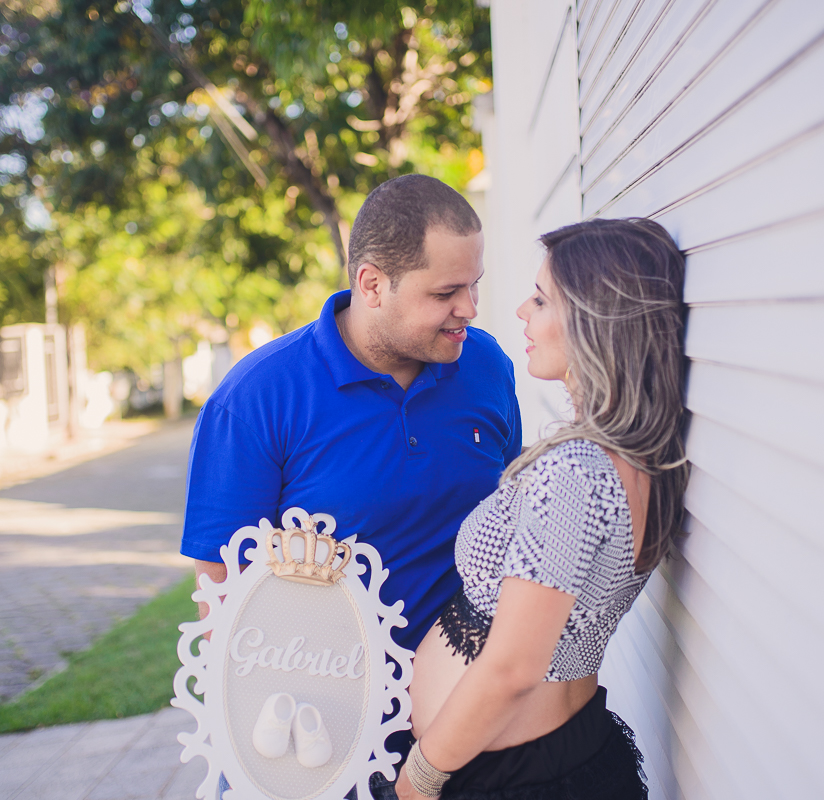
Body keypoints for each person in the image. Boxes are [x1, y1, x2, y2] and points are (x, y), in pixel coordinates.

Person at [181, 174, 522, 799]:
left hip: (458, 743)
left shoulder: (488, 368)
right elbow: (220, 599)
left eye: (475, 286)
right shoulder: (257, 396)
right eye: (446, 292)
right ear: (371, 284)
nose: (469, 309)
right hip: (312, 749)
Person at [397, 218, 688, 800]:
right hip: (553, 757)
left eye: (540, 299)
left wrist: (418, 779)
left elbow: (513, 668)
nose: (520, 314)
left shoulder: (577, 469)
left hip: (511, 777)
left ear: (594, 319)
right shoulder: (636, 454)